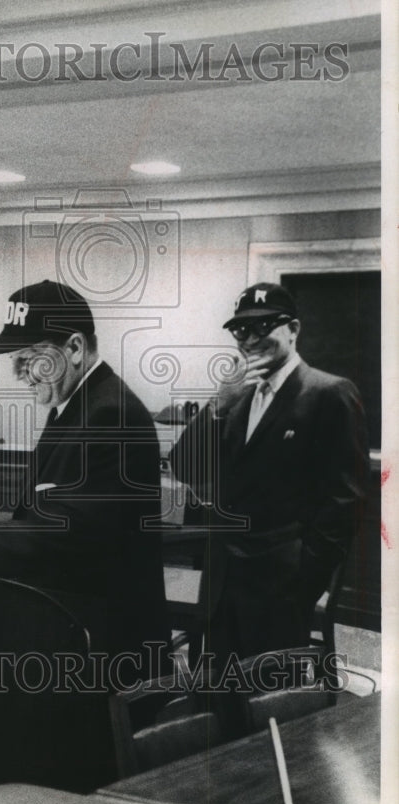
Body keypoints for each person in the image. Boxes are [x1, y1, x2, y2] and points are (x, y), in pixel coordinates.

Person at [0, 278, 169, 667]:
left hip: (105, 652)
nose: (19, 374)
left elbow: (71, 536)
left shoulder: (111, 414)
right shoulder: (76, 406)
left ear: (74, 348)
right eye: (15, 361)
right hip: (71, 632)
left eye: (29, 359)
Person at [169, 282, 369, 662]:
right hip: (220, 581)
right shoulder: (236, 396)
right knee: (215, 700)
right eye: (242, 330)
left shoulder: (330, 393)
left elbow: (346, 501)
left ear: (293, 330)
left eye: (265, 327)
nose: (251, 339)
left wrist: (303, 581)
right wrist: (217, 406)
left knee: (271, 706)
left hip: (281, 586)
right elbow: (185, 467)